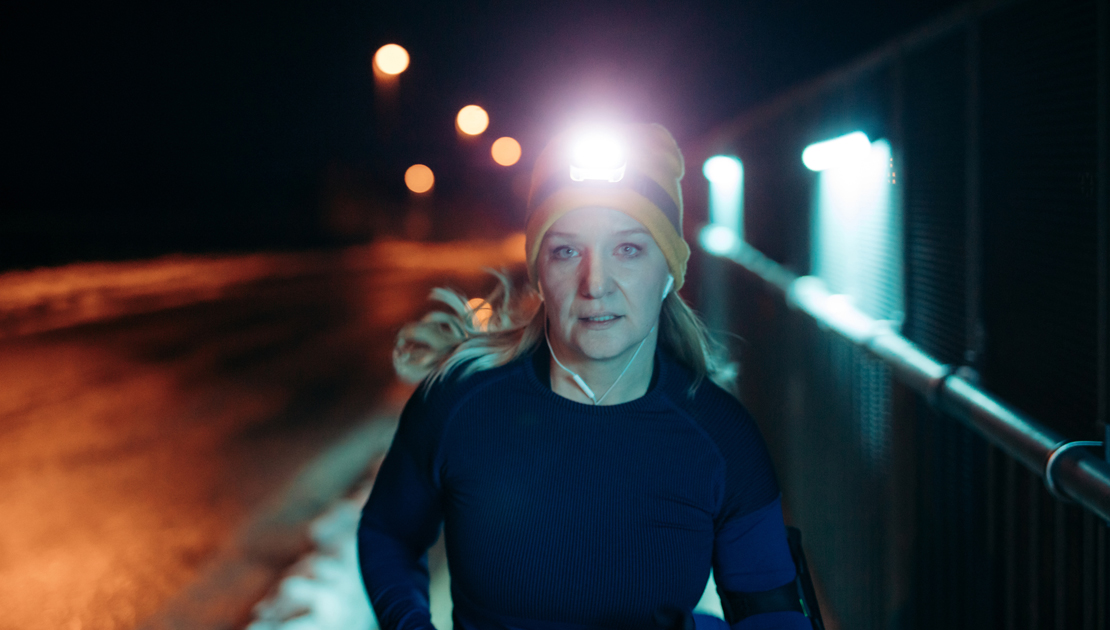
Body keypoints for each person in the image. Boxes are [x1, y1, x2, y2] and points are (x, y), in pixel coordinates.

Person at [358, 123, 812, 630]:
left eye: (629, 249)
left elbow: (770, 614)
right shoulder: (461, 404)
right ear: (538, 271)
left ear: (670, 270)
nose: (594, 283)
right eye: (566, 250)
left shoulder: (722, 438)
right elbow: (389, 532)